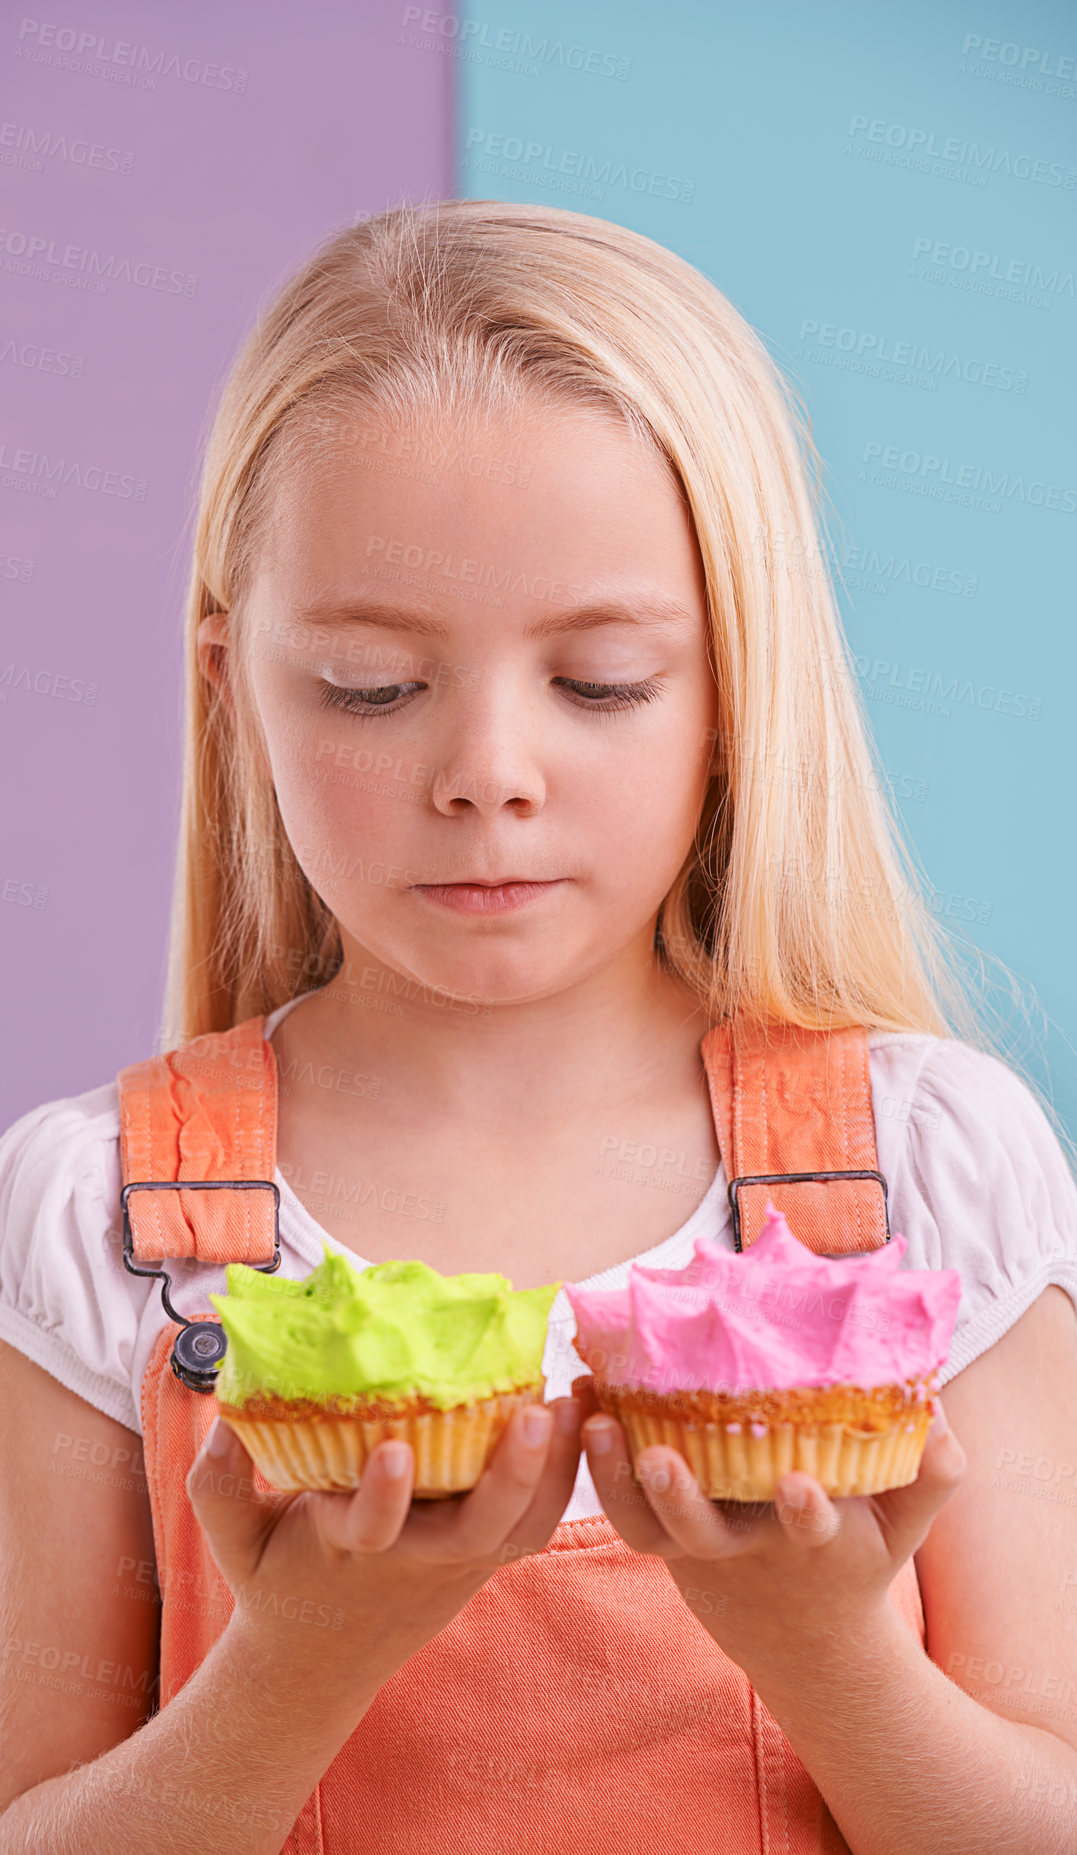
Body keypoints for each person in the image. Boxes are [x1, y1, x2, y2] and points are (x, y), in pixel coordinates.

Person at [1, 199, 1076, 1855]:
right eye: (371, 682)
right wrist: (295, 1666)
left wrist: (824, 1652)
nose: (487, 770)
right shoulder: (94, 1222)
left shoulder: (930, 1172)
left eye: (599, 682)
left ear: (737, 692)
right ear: (234, 689)